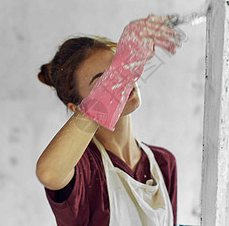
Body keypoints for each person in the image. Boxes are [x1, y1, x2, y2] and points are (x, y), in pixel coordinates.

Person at [36, 15, 182, 226]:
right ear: (76, 108)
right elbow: (48, 172)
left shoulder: (163, 162)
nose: (121, 81)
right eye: (105, 81)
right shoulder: (83, 167)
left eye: (121, 68)